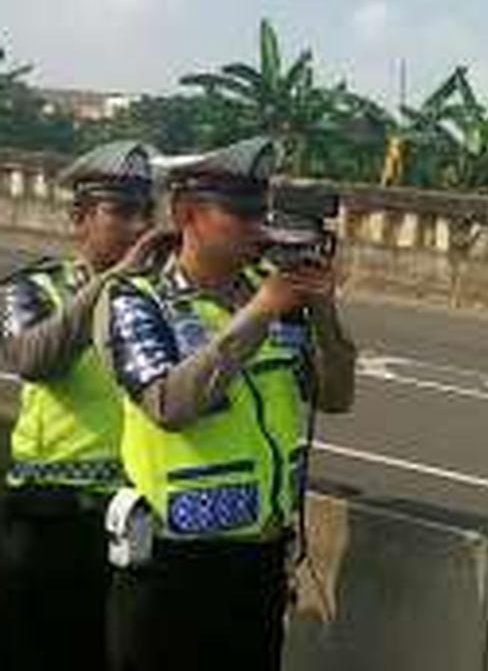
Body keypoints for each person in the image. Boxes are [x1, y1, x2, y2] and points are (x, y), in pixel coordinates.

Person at [95, 136, 356, 671]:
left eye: (261, 212)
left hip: (259, 564)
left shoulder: (278, 296)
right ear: (188, 212)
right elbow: (168, 404)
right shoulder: (135, 300)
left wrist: (323, 311)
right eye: (239, 213)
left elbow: (335, 397)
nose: (257, 226)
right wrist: (259, 312)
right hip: (170, 567)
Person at [0, 140, 161, 669]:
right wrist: (110, 284)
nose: (138, 227)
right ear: (79, 218)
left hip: (133, 522)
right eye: (120, 212)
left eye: (146, 212)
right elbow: (33, 358)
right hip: (52, 520)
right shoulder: (35, 286)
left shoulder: (162, 298)